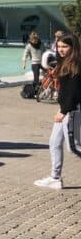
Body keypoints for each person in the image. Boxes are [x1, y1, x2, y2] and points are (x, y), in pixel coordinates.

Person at [36, 33, 81, 190]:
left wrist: (64, 111)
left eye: (65, 47)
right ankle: (55, 178)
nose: (61, 50)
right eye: (59, 46)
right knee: (54, 143)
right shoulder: (64, 62)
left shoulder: (76, 64)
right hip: (64, 109)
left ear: (73, 47)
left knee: (74, 147)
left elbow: (74, 92)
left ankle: (55, 177)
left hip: (71, 110)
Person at [22, 32, 45, 98]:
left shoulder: (41, 44)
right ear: (31, 39)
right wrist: (24, 64)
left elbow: (45, 52)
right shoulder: (29, 45)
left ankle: (45, 89)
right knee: (36, 78)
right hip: (35, 63)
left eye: (36, 40)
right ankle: (35, 92)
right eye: (33, 40)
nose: (35, 41)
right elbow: (25, 55)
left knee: (49, 75)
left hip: (42, 62)